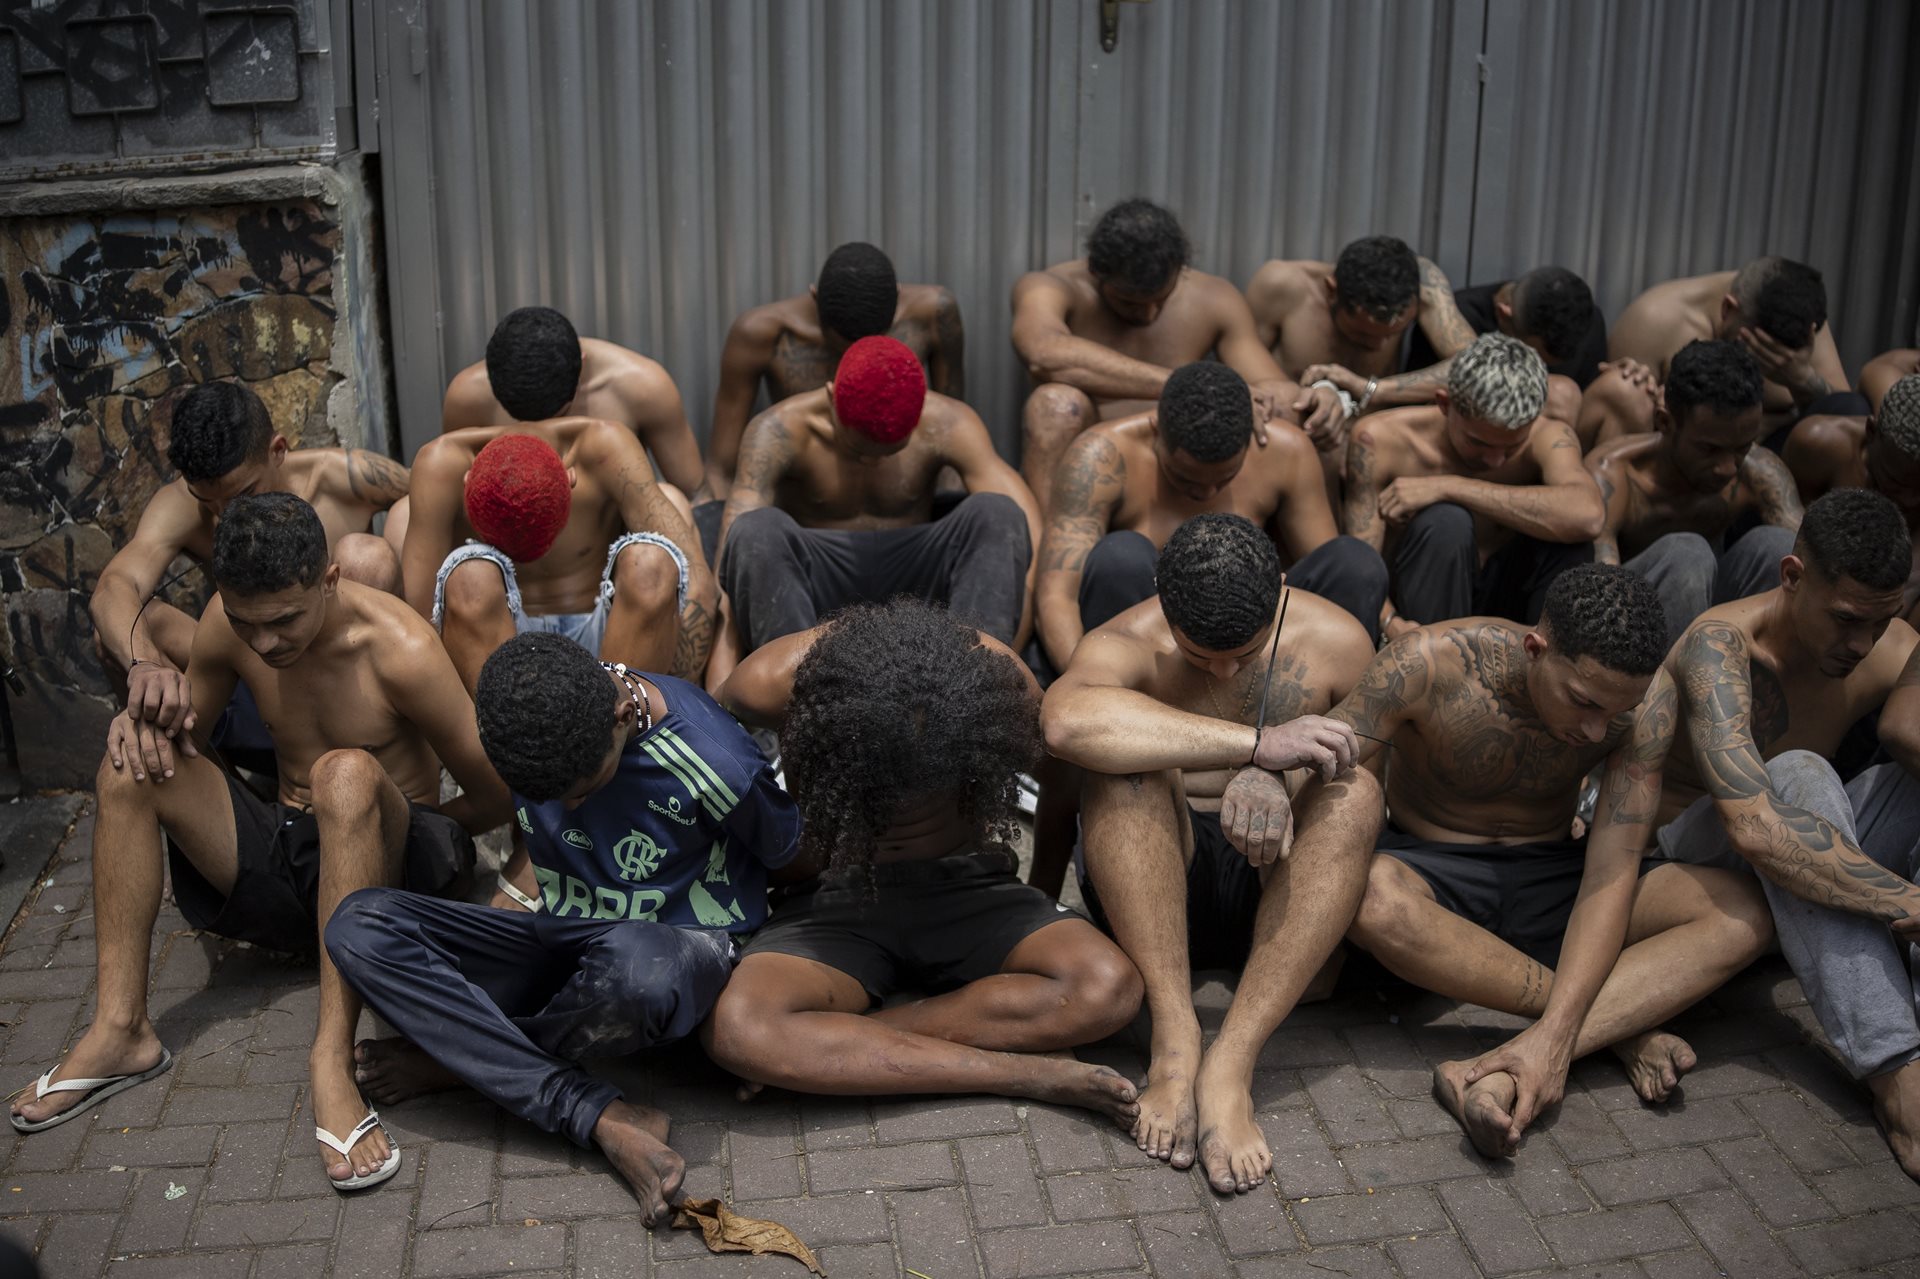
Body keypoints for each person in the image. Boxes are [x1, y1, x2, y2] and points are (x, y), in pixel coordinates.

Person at [12, 495, 509, 1195]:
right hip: (290, 860)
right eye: (248, 623)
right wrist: (143, 719)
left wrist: (402, 836)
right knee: (131, 762)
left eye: (283, 619)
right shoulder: (228, 625)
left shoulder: (400, 648)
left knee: (345, 774)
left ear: (329, 579)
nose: (266, 642)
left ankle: (331, 1062)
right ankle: (122, 1027)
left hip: (393, 869)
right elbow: (192, 737)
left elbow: (495, 794)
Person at [327, 631, 801, 1224]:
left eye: (585, 789)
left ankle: (462, 1063)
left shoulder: (711, 754)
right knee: (359, 925)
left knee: (640, 972)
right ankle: (595, 1110)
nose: (569, 809)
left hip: (671, 951)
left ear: (623, 716)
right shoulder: (530, 722)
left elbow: (787, 853)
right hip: (564, 939)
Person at [1330, 565, 1773, 1156]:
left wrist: (1557, 1036)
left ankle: (1503, 1067)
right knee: (1367, 898)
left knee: (1743, 912)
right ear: (1536, 649)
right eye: (1583, 702)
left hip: (1556, 874)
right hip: (1435, 872)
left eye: (1613, 714)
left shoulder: (1639, 708)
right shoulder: (1426, 663)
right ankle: (1613, 1029)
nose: (1595, 732)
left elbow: (1612, 866)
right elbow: (1328, 765)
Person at [702, 601, 1146, 1129]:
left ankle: (852, 1039)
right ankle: (1019, 1073)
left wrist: (1044, 889)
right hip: (829, 895)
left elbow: (1063, 773)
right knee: (738, 1027)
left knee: (1107, 988)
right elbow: (707, 777)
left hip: (967, 886)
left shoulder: (1000, 683)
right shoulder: (768, 683)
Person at [1041, 514, 1384, 1193]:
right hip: (1159, 884)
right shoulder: (1128, 640)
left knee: (1358, 792)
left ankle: (1233, 1059)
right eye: (1200, 657)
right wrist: (1253, 745)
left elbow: (1373, 777)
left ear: (1280, 592)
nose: (1224, 669)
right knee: (1122, 770)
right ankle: (1175, 1039)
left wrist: (1281, 781)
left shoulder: (1340, 640)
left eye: (1245, 652)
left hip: (1276, 884)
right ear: (1166, 609)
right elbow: (1063, 722)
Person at [1645, 488, 1920, 1177]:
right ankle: (1900, 1075)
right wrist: (1906, 902)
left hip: (1808, 873)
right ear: (1792, 576)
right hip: (1692, 862)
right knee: (1797, 770)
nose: (1862, 645)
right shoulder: (1720, 648)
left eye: (1881, 623)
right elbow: (1756, 831)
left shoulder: (1891, 647)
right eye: (1847, 620)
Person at [92, 381, 409, 759]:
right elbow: (116, 584)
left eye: (243, 495)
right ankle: (211, 781)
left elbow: (435, 492)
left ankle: (369, 757)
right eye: (208, 501)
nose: (227, 515)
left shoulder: (340, 478)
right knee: (126, 633)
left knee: (366, 557)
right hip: (257, 673)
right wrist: (142, 664)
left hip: (349, 688)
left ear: (277, 451)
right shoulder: (184, 507)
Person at [1036, 360, 1389, 676]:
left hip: (1253, 646)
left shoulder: (1285, 451)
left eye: (1224, 480)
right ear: (1158, 429)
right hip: (1155, 658)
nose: (1206, 495)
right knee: (1120, 556)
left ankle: (1336, 714)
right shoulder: (1101, 457)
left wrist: (1392, 620)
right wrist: (1083, 682)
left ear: (1249, 439)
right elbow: (1058, 596)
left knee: (1354, 562)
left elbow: (1332, 575)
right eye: (1186, 479)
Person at [717, 335, 1039, 662]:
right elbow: (732, 561)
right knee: (754, 530)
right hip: (823, 578)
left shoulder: (946, 422)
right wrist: (717, 685)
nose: (871, 463)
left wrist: (1013, 645)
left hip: (916, 572)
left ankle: (977, 675)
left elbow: (1023, 540)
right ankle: (794, 689)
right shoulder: (779, 431)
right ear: (831, 397)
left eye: (889, 454)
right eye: (858, 450)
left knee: (998, 513)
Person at [1011, 198, 1336, 511]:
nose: (1148, 315)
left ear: (1179, 271)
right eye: (1129, 303)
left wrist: (1320, 396)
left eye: (1161, 300)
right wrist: (1186, 386)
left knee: (1289, 406)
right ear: (1097, 272)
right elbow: (1044, 353)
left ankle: (1291, 561)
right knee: (1052, 406)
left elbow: (1270, 386)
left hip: (1185, 453)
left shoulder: (1213, 297)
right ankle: (1045, 555)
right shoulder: (1050, 286)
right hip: (1093, 455)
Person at [403, 420, 716, 689]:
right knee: (466, 574)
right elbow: (419, 626)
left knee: (654, 559)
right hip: (499, 656)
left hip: (609, 651)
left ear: (569, 480)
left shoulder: (604, 446)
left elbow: (700, 590)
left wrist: (678, 703)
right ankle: (511, 743)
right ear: (468, 482)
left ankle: (617, 737)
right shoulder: (439, 463)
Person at [1345, 332, 1603, 638]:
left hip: (1508, 606)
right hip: (1418, 612)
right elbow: (1361, 564)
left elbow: (1588, 515)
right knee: (1445, 522)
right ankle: (1439, 667)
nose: (1495, 461)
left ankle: (1548, 659)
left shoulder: (1548, 437)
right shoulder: (1380, 440)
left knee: (1570, 539)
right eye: (1478, 442)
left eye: (1511, 448)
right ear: (1445, 404)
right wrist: (1391, 623)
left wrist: (1449, 486)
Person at [706, 241, 964, 506]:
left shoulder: (934, 315)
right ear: (815, 298)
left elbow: (952, 430)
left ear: (897, 300)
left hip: (901, 504)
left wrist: (948, 506)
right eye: (840, 348)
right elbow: (720, 468)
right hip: (806, 514)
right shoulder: (761, 334)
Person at [1587, 339, 1803, 642]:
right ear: (1665, 423)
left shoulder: (1758, 472)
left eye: (1741, 448)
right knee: (1687, 554)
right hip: (1630, 629)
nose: (1727, 468)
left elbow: (1816, 567)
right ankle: (1673, 689)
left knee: (1780, 547)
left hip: (1717, 623)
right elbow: (1596, 597)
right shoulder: (1615, 474)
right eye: (1709, 449)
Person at [1580, 257, 1860, 449]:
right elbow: (1631, 421)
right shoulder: (1657, 320)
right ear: (1728, 309)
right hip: (1686, 465)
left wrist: (1802, 380)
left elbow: (1847, 420)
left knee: (1849, 409)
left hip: (1770, 463)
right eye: (1755, 348)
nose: (1766, 360)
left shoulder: (1800, 324)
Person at [443, 306, 707, 503]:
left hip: (612, 541)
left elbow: (696, 495)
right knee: (406, 512)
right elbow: (453, 496)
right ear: (491, 379)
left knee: (672, 500)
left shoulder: (642, 386)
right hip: (508, 539)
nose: (545, 432)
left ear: (581, 366)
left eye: (560, 416)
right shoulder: (468, 396)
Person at [1307, 265, 1602, 433]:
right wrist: (1373, 390)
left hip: (1546, 445)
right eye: (1532, 354)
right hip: (1469, 438)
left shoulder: (1584, 324)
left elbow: (1588, 399)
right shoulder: (1460, 317)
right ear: (1504, 314)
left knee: (1572, 393)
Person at [1245, 235, 1487, 428]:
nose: (1378, 346)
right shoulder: (1282, 286)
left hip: (1375, 435)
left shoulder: (1422, 281)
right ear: (1332, 291)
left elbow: (1479, 368)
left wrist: (1372, 390)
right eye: (1361, 335)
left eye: (1392, 335)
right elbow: (1243, 380)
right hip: (1294, 430)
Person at [1783, 374, 1920, 623]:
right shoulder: (1820, 446)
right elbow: (1792, 542)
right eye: (1896, 482)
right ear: (1871, 432)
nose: (1910, 501)